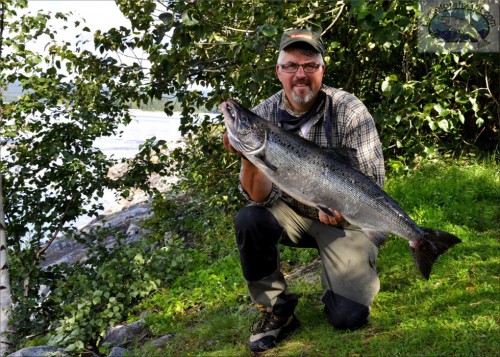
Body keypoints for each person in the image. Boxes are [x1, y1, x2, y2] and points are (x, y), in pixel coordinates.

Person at [222, 28, 386, 353]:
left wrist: (343, 205)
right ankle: (277, 308)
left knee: (348, 317)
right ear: (278, 71)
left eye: (310, 66)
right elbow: (260, 197)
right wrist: (248, 157)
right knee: (250, 219)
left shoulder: (349, 109)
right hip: (292, 214)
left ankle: (341, 283)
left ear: (322, 70)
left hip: (346, 219)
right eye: (292, 65)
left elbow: (374, 181)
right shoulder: (263, 116)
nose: (301, 74)